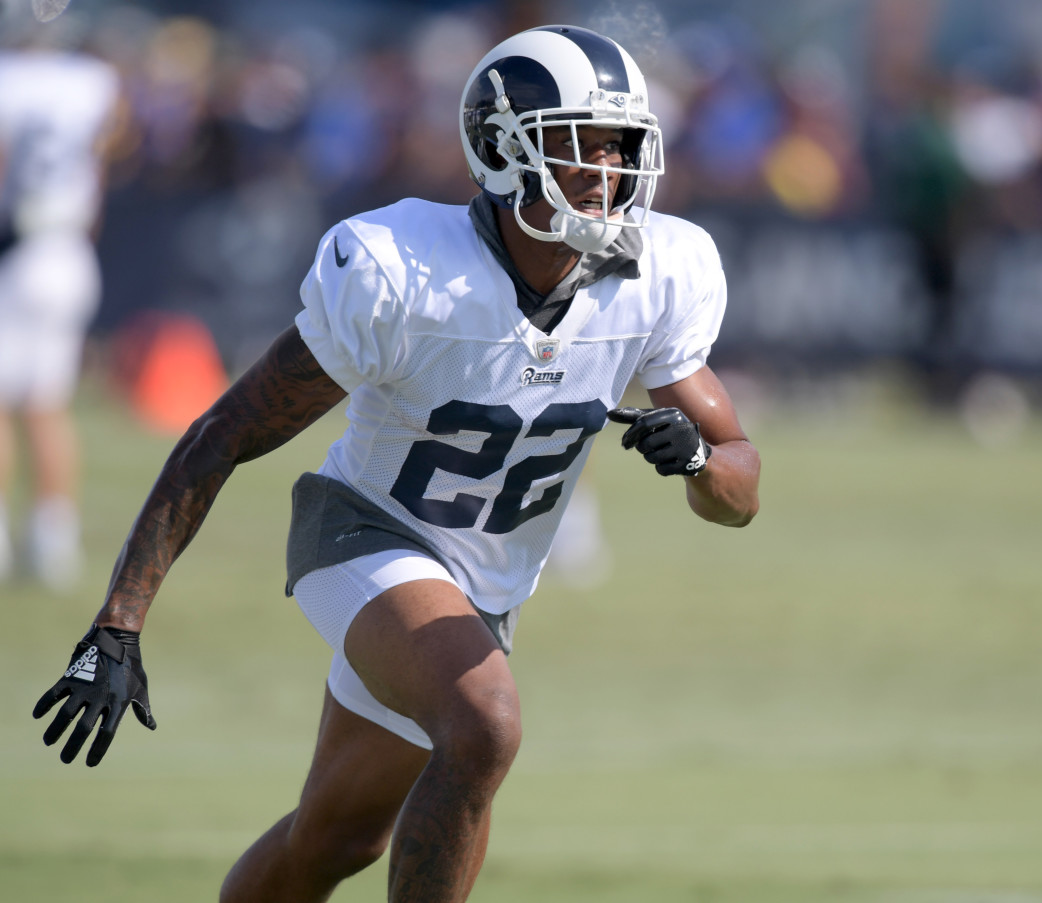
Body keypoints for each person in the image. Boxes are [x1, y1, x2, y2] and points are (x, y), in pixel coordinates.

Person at [32, 24, 760, 903]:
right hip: (363, 532)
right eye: (577, 145)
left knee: (334, 839)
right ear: (503, 149)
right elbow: (224, 432)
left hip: (483, 587)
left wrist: (697, 463)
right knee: (484, 724)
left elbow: (739, 488)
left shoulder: (659, 272)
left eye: (621, 147)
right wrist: (120, 618)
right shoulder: (402, 270)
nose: (607, 172)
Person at [0, 33, 119, 589]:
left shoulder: (12, 79)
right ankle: (54, 540)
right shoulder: (91, 80)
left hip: (16, 249)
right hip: (69, 250)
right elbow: (111, 146)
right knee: (47, 402)